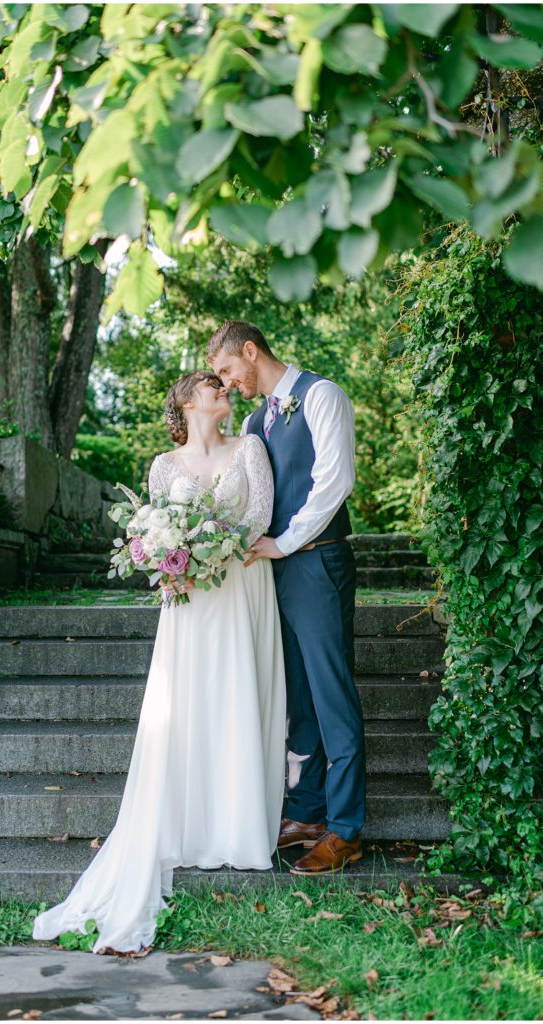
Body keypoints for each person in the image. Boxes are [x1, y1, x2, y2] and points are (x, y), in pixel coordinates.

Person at [31, 370, 286, 953]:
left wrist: (211, 544)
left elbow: (261, 518)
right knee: (189, 708)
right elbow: (154, 534)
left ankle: (240, 829)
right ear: (187, 402)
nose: (223, 389)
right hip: (190, 601)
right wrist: (178, 552)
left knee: (241, 700)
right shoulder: (163, 467)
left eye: (225, 384)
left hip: (243, 586)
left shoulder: (252, 446)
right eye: (211, 385)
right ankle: (191, 826)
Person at [207, 321, 366, 876]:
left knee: (331, 693)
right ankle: (305, 811)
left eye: (229, 370)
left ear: (251, 351)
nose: (227, 384)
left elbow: (333, 482)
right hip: (273, 571)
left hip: (318, 561)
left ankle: (345, 829)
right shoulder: (256, 421)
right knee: (296, 695)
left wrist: (286, 543)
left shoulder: (323, 396)